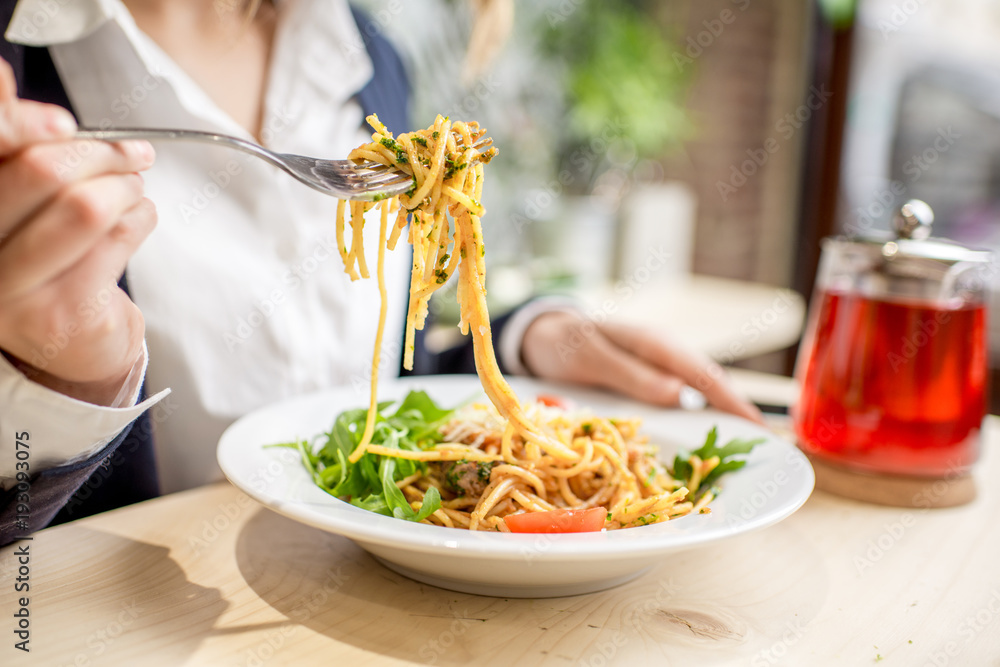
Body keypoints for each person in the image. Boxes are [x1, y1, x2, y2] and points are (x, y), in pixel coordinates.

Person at [0, 0, 761, 546]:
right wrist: (57, 390)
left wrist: (530, 338)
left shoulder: (368, 52)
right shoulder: (20, 60)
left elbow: (368, 382)